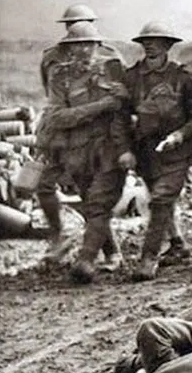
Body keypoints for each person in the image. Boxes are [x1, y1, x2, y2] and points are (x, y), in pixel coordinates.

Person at [35, 22, 134, 283]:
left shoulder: (113, 69)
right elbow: (57, 117)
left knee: (99, 203)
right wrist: (101, 105)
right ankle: (113, 254)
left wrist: (125, 147)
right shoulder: (60, 76)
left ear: (97, 46)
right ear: (68, 48)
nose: (84, 50)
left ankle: (86, 260)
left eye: (89, 44)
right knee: (91, 205)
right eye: (77, 45)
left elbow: (125, 108)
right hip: (77, 151)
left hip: (110, 148)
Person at [124, 22, 192, 281]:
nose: (150, 45)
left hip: (177, 151)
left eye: (157, 41)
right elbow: (121, 114)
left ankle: (149, 257)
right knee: (161, 199)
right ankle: (178, 243)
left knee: (160, 200)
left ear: (168, 46)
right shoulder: (131, 77)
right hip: (146, 151)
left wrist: (180, 135)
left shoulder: (183, 78)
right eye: (146, 41)